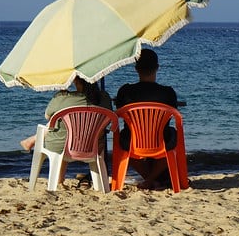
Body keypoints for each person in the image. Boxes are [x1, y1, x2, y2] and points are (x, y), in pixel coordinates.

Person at [114, 48, 178, 189]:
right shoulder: (167, 93)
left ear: (136, 69)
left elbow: (118, 109)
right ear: (157, 67)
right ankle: (152, 179)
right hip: (161, 140)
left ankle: (148, 179)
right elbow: (174, 111)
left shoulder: (125, 92)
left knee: (121, 140)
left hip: (132, 141)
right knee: (173, 135)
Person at [20, 75, 113, 154]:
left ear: (76, 82)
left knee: (57, 122)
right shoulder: (103, 97)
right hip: (94, 147)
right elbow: (109, 118)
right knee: (82, 125)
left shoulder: (63, 98)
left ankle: (31, 141)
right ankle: (94, 172)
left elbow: (47, 116)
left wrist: (61, 94)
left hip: (62, 147)